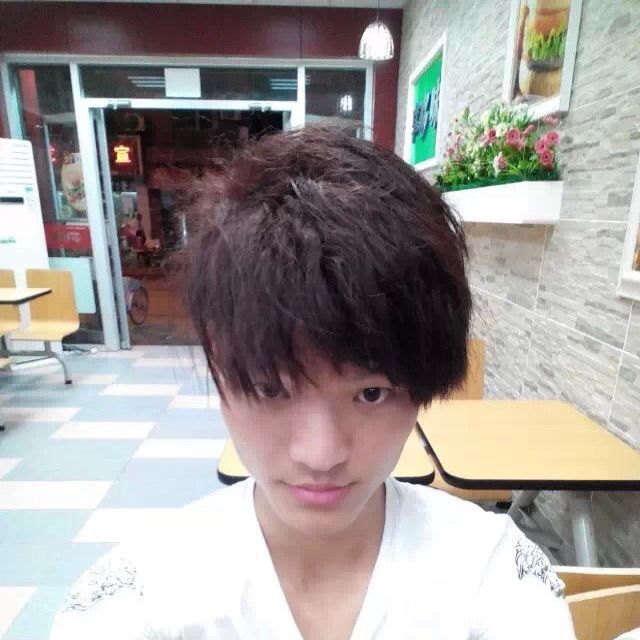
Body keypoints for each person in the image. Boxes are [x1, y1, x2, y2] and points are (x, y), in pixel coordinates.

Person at [50, 127, 576, 640]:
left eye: (371, 393)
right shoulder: (141, 598)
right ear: (216, 364)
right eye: (271, 389)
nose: (321, 455)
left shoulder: (491, 576)